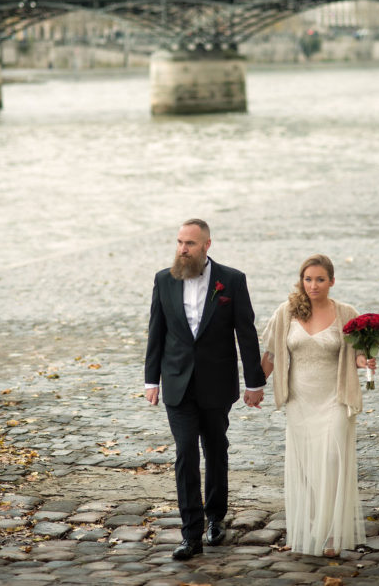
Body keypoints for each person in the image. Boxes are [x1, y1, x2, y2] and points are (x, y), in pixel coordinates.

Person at [145, 219, 265, 560]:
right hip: (177, 383)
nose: (183, 249)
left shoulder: (232, 280)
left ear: (207, 245)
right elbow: (156, 330)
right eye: (180, 242)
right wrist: (151, 380)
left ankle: (215, 518)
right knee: (185, 453)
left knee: (215, 450)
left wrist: (254, 381)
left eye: (190, 244)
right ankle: (190, 534)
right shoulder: (163, 279)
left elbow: (246, 333)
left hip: (217, 382)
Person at [261, 254, 376, 557]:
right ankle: (314, 527)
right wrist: (254, 386)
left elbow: (357, 356)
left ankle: (332, 534)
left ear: (331, 281)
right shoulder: (286, 313)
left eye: (320, 279)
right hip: (300, 400)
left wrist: (366, 360)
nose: (313, 285)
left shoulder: (346, 313)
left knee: (331, 460)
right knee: (307, 469)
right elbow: (271, 355)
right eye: (308, 279)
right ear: (302, 280)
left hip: (335, 397)